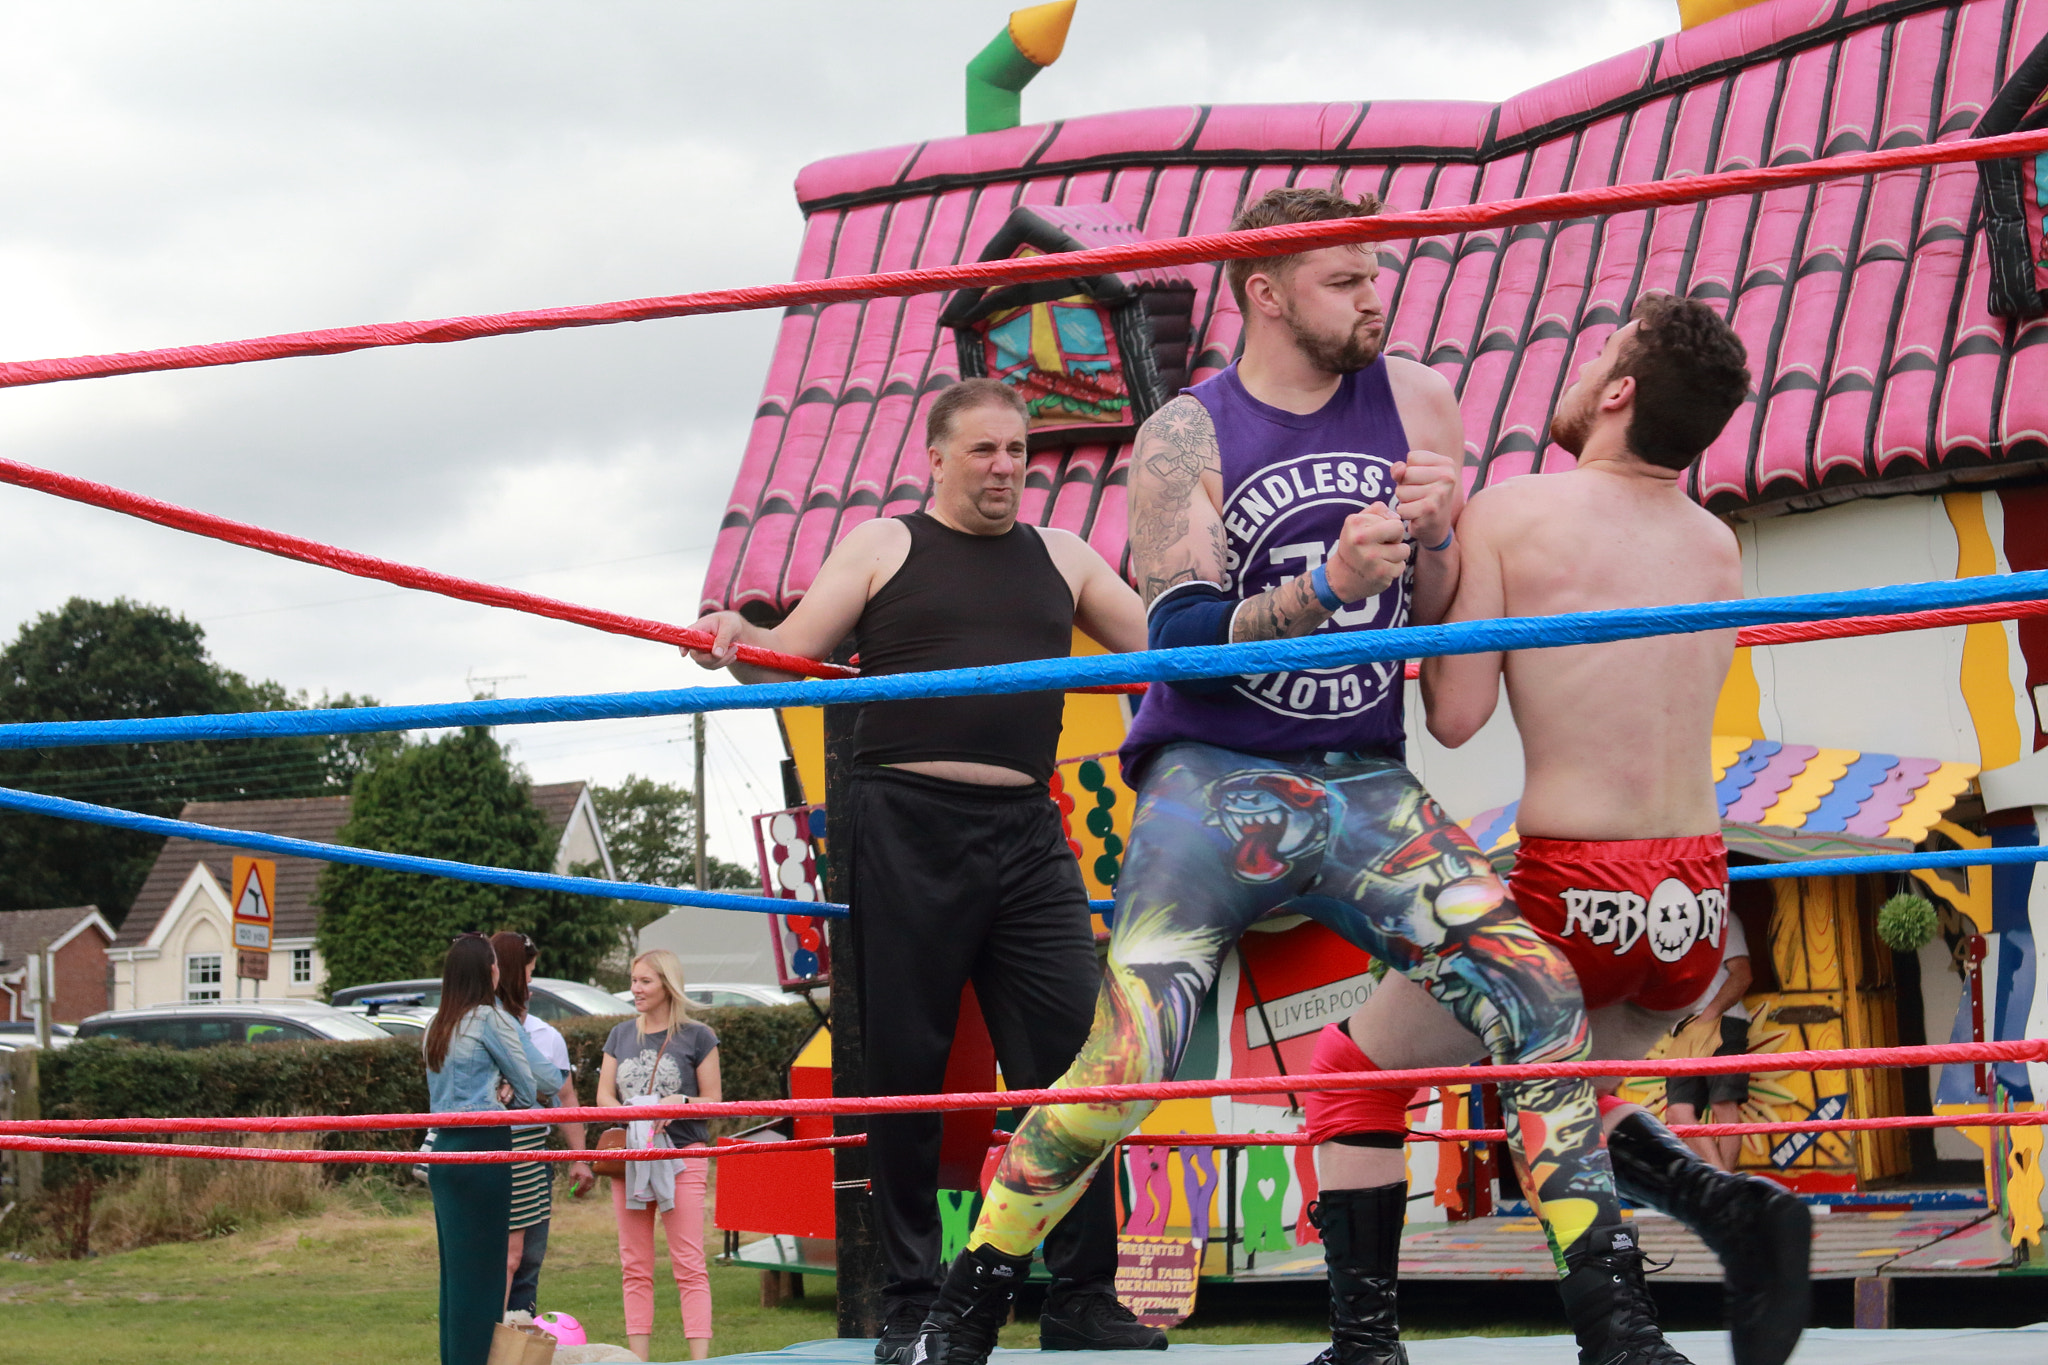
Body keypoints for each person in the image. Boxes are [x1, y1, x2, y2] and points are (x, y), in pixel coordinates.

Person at [914, 186, 1679, 1365]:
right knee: (1135, 1048)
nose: (1373, 297)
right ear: (1264, 293)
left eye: (1375, 275)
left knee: (1536, 988)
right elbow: (1173, 638)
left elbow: (1433, 626)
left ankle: (1612, 1324)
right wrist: (1320, 587)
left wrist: (1435, 537)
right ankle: (968, 1303)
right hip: (1210, 780)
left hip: (1365, 780)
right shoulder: (1184, 432)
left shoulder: (1419, 397)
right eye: (1344, 281)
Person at [1302, 294, 1808, 1365]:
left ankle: (1363, 1346)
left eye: (1599, 358)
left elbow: (1454, 715)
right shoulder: (1715, 545)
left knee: (1351, 1071)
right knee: (1562, 1102)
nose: (1581, 372)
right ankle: (1725, 1206)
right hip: (1693, 900)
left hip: (1572, 881)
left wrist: (1431, 562)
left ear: (1617, 392)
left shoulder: (1519, 511)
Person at [688, 377, 1161, 1359]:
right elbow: (787, 653)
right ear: (935, 458)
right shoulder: (880, 545)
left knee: (1080, 1056)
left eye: (1015, 451)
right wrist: (734, 640)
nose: (1002, 469)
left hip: (1026, 830)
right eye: (982, 451)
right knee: (904, 1067)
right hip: (902, 821)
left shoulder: (1062, 558)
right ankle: (907, 1304)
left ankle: (1081, 1295)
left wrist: (1287, 611)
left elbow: (1166, 646)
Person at [422, 933, 565, 1365]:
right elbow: (530, 1086)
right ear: (489, 971)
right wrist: (506, 1092)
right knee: (484, 1281)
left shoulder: (436, 1023)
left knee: (455, 1280)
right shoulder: (490, 1018)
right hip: (484, 1150)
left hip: (442, 1151)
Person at [597, 948, 720, 1363]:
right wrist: (634, 1115)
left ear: (667, 985)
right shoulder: (619, 1034)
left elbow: (714, 1100)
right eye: (634, 980)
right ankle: (637, 1359)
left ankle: (699, 1358)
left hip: (684, 1154)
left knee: (689, 1261)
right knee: (634, 1264)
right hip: (631, 1160)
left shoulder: (698, 1036)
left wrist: (679, 1101)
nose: (636, 989)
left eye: (645, 981)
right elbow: (603, 1097)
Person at [491, 931, 596, 1316]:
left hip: (534, 1154)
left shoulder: (546, 1036)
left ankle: (520, 1337)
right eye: (529, 973)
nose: (533, 983)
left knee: (528, 1259)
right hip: (492, 1154)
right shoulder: (481, 1028)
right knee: (502, 1259)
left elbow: (565, 1097)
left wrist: (579, 1157)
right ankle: (491, 1342)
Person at [1664, 916, 1756, 1172]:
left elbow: (1743, 974)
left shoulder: (1722, 917)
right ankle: (1722, 1179)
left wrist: (1709, 1015)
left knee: (1722, 1104)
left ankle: (1723, 1182)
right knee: (1678, 1113)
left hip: (1723, 1020)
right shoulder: (1661, 921)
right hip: (1683, 1027)